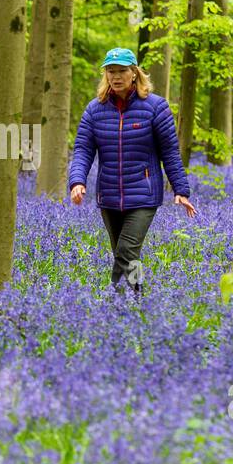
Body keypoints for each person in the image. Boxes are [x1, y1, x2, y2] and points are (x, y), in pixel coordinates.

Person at [67, 48, 196, 293]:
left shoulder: (155, 107)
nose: (116, 76)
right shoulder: (95, 110)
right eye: (111, 71)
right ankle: (126, 303)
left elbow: (169, 151)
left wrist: (181, 189)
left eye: (122, 71)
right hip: (109, 195)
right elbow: (83, 149)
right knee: (123, 254)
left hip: (144, 194)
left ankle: (129, 299)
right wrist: (77, 181)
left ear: (134, 73)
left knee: (126, 249)